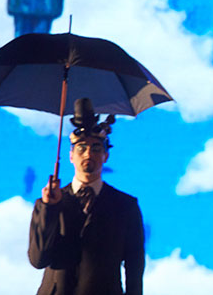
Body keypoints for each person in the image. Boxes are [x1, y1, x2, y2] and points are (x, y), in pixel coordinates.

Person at [28, 98, 145, 295]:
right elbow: (38, 260)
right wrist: (50, 208)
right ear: (71, 155)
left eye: (96, 148)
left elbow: (135, 266)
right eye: (81, 148)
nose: (88, 153)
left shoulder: (125, 205)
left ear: (106, 155)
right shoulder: (49, 201)